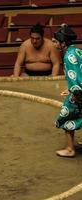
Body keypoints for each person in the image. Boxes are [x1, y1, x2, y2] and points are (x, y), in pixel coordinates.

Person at [53, 24, 81, 157]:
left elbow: (75, 75)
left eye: (56, 41)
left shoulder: (68, 56)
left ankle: (70, 149)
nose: (54, 44)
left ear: (63, 43)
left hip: (79, 91)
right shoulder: (77, 51)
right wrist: (70, 89)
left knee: (66, 114)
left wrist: (75, 92)